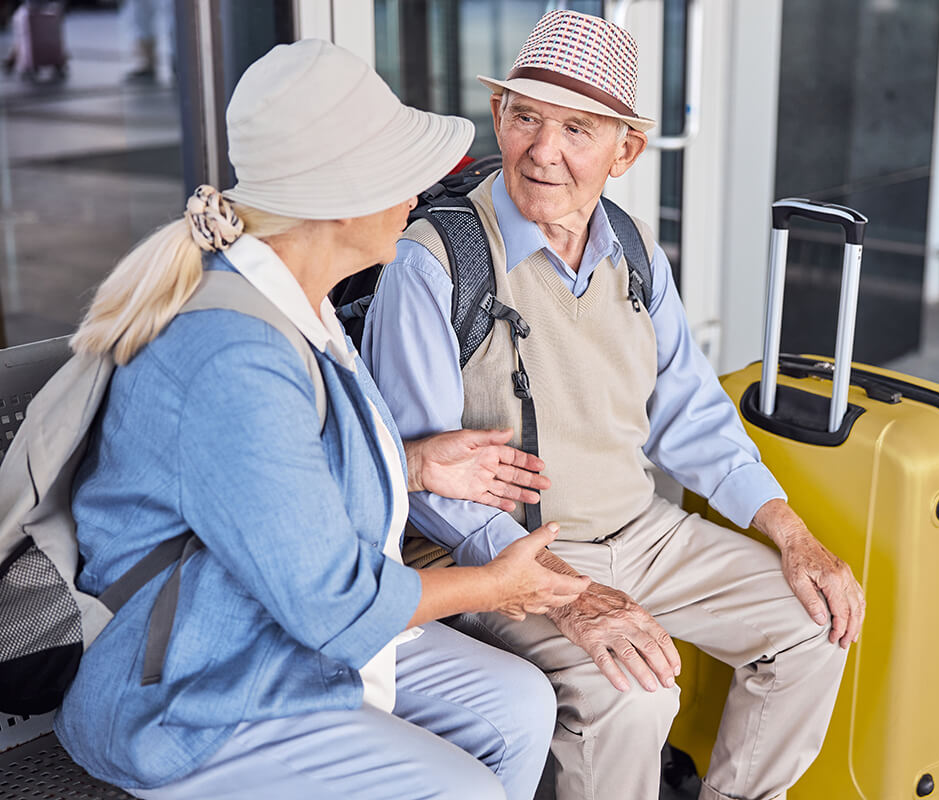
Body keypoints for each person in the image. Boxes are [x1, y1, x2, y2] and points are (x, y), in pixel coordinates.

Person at [54, 38, 588, 800]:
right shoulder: (229, 353)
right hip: (191, 689)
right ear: (343, 199)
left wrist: (413, 464)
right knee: (461, 788)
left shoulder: (299, 299)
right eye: (404, 175)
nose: (422, 192)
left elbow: (269, 481)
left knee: (519, 705)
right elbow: (331, 603)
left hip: (262, 619)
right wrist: (493, 586)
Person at [362, 11, 867, 800]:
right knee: (634, 698)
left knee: (815, 626)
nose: (543, 150)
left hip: (644, 531)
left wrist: (793, 533)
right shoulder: (434, 264)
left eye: (578, 129)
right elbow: (426, 491)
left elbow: (692, 416)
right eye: (525, 116)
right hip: (506, 556)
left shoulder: (631, 248)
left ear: (625, 150)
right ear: (499, 116)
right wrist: (574, 595)